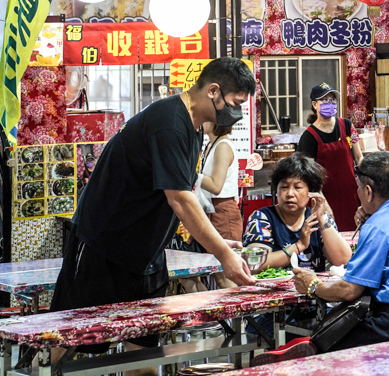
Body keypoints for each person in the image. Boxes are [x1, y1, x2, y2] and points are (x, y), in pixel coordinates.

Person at [50, 57, 256, 366]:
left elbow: (181, 196)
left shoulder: (193, 127)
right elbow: (181, 200)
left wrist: (215, 243)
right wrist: (222, 256)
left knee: (144, 349)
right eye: (235, 102)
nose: (237, 113)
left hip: (147, 254)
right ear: (213, 91)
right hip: (103, 246)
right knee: (73, 343)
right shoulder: (169, 123)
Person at [256, 152, 389, 365]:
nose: (290, 193)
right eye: (284, 187)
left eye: (358, 189)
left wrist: (313, 286)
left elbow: (349, 290)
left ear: (368, 192)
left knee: (321, 357)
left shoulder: (379, 224)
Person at [243, 153, 352, 338]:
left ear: (311, 192)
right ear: (275, 190)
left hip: (316, 305)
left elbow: (342, 259)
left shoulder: (318, 219)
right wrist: (299, 245)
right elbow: (254, 264)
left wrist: (322, 217)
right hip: (272, 310)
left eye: (298, 187)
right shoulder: (262, 218)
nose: (289, 194)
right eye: (284, 187)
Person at [173, 120, 242, 293]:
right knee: (194, 272)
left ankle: (237, 319)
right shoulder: (212, 144)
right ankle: (210, 319)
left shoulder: (223, 145)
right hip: (207, 210)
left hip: (222, 211)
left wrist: (188, 172)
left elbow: (216, 186)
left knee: (223, 274)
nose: (199, 122)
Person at [297, 82, 363, 232]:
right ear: (314, 104)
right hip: (325, 198)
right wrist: (323, 203)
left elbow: (359, 158)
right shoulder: (309, 137)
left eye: (333, 100)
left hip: (351, 195)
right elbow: (309, 176)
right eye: (325, 100)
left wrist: (365, 189)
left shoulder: (347, 125)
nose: (330, 104)